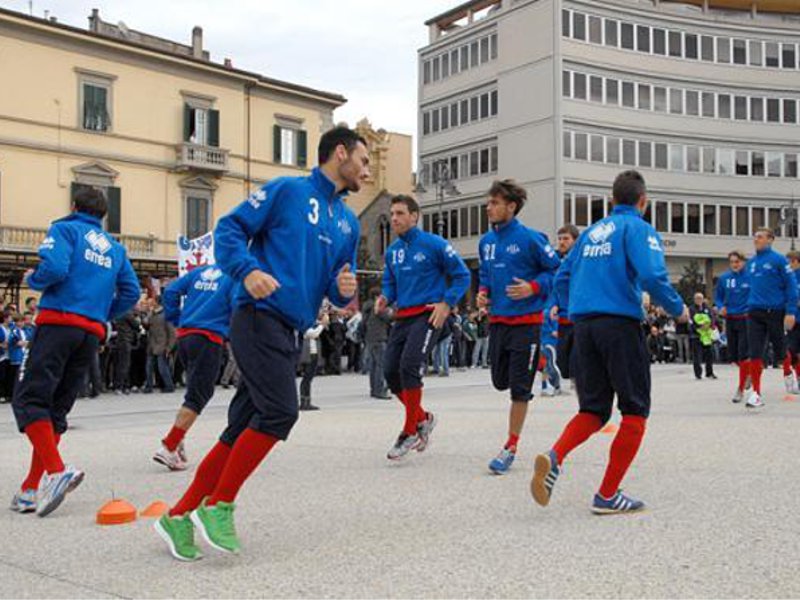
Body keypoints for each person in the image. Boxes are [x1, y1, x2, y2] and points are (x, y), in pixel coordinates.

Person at [153, 126, 366, 561]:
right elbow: (229, 230)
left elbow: (336, 285)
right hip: (255, 316)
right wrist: (247, 271)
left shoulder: (348, 221)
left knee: (240, 429)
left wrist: (344, 289)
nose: (367, 169)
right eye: (363, 160)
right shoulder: (288, 190)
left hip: (290, 328)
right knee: (282, 412)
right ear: (339, 153)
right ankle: (220, 504)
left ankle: (178, 516)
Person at [530, 170, 688, 514]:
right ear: (642, 201)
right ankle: (607, 494)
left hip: (584, 327)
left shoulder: (588, 235)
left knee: (593, 410)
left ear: (612, 199)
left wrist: (575, 309)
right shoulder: (638, 228)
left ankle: (555, 455)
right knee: (635, 410)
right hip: (619, 325)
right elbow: (652, 275)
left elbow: (562, 275)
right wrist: (678, 310)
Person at [10, 187, 140, 516]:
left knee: (30, 399)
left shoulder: (64, 229)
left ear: (73, 206)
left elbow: (53, 268)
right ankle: (29, 489)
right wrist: (101, 312)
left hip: (57, 324)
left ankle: (56, 472)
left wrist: (33, 278)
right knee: (56, 409)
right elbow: (131, 292)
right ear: (103, 214)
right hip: (90, 332)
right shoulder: (116, 248)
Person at [375, 194, 470, 461]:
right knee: (390, 372)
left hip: (429, 314)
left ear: (415, 216)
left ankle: (409, 431)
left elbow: (462, 276)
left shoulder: (435, 244)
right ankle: (423, 418)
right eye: (392, 213)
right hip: (403, 316)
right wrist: (384, 298)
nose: (394, 218)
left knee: (409, 365)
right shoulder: (393, 251)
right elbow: (390, 284)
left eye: (400, 213)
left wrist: (447, 303)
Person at [477, 180, 560, 475]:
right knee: (500, 381)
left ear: (511, 207)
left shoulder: (530, 238)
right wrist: (483, 292)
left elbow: (557, 269)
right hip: (498, 322)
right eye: (489, 203)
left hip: (527, 323)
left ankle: (510, 446)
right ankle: (540, 362)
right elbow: (486, 275)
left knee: (519, 391)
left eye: (495, 203)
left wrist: (534, 287)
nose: (489, 207)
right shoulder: (485, 242)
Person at [154, 265, 236, 471]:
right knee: (199, 395)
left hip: (186, 335)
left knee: (193, 392)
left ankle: (178, 439)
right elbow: (238, 308)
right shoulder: (235, 275)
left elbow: (171, 290)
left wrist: (176, 318)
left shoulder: (200, 271)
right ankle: (170, 445)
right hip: (209, 337)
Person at [742, 228, 798, 409]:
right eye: (755, 237)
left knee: (781, 350)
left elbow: (791, 287)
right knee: (755, 352)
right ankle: (756, 394)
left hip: (775, 312)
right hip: (754, 312)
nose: (756, 240)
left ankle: (788, 372)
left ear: (770, 240)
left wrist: (790, 312)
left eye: (760, 237)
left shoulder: (780, 261)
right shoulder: (750, 263)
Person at [714, 250, 751, 402]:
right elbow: (718, 297)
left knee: (744, 354)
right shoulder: (724, 278)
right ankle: (748, 373)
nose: (735, 265)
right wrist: (720, 306)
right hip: (730, 319)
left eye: (737, 261)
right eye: (732, 262)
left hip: (746, 318)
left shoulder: (751, 277)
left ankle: (741, 389)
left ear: (743, 262)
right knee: (733, 356)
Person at [550, 224, 580, 384]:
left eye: (566, 239)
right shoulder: (559, 261)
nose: (561, 242)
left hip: (578, 319)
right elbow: (556, 286)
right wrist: (555, 303)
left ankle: (585, 401)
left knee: (577, 365)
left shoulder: (580, 260)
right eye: (560, 238)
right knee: (563, 364)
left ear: (575, 241)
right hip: (562, 320)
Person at [143, 296, 176, 394]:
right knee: (148, 367)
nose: (150, 303)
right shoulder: (152, 314)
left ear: (157, 303)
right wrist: (148, 314)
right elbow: (146, 325)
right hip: (151, 345)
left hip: (162, 345)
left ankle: (169, 385)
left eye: (152, 301)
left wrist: (169, 347)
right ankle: (148, 386)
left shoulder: (166, 315)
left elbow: (172, 333)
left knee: (163, 368)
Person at [362, 294, 392, 399]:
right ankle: (379, 390)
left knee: (373, 366)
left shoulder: (367, 308)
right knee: (380, 365)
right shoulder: (378, 308)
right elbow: (390, 318)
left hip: (370, 339)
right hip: (380, 339)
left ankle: (373, 390)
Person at [299, 313, 327, 411]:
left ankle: (307, 401)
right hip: (307, 355)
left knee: (309, 379)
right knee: (306, 379)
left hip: (313, 354)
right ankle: (304, 402)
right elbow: (313, 333)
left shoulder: (312, 323)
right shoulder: (304, 324)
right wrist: (322, 325)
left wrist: (322, 321)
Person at [689, 293, 716, 380]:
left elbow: (712, 318)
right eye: (697, 298)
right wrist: (699, 326)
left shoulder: (707, 308)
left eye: (700, 298)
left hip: (707, 335)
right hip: (696, 335)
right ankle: (698, 374)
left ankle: (709, 372)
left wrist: (710, 325)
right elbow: (691, 320)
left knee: (710, 354)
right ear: (694, 300)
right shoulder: (691, 309)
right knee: (697, 355)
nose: (699, 300)